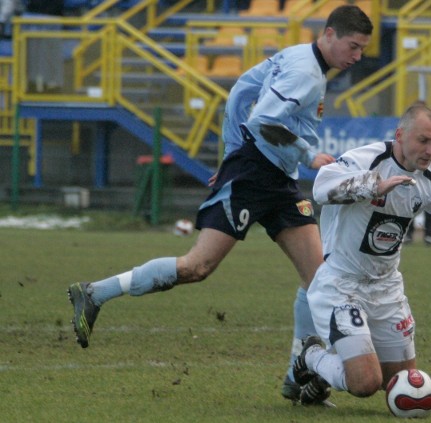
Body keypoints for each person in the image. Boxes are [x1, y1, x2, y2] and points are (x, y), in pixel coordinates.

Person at [67, 4, 373, 406]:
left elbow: (241, 90)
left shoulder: (298, 58)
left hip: (275, 180)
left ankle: (295, 376)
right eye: (352, 46)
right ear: (329, 34)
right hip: (253, 176)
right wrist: (304, 154)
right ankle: (94, 293)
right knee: (197, 267)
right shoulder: (305, 71)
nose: (356, 56)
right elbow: (263, 119)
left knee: (318, 280)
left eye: (362, 49)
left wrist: (231, 150)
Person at [291, 102, 431, 404]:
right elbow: (322, 187)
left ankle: (323, 377)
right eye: (423, 140)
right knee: (365, 382)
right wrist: (373, 186)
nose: (430, 150)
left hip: (386, 289)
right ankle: (311, 354)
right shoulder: (368, 159)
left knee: (393, 382)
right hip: (341, 285)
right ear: (400, 135)